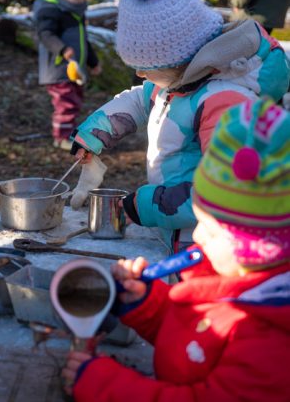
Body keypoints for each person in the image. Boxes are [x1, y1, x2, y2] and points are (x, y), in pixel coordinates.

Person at [64, 98, 290, 402]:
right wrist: (147, 305)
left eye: (210, 229)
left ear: (256, 248)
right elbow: (196, 340)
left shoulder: (270, 343)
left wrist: (104, 385)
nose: (197, 234)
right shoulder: (232, 275)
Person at [70, 0, 289, 251]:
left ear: (180, 60)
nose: (139, 74)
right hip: (176, 230)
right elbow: (138, 101)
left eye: (146, 68)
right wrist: (93, 135)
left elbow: (224, 188)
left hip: (208, 243)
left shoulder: (225, 103)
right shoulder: (176, 82)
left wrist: (145, 205)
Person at [34, 0, 101, 150]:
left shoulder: (77, 13)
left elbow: (84, 40)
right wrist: (62, 49)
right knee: (66, 102)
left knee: (75, 100)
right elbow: (44, 34)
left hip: (74, 70)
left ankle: (67, 131)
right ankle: (62, 136)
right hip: (58, 69)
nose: (81, 1)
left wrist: (93, 62)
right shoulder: (51, 10)